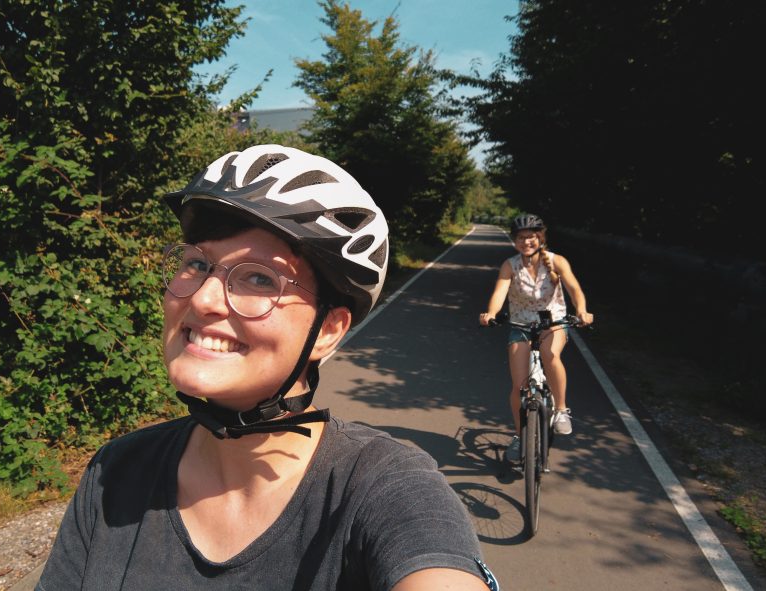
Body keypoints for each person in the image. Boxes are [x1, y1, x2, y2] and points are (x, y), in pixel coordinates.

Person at [37, 145, 498, 590]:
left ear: (329, 331)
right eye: (196, 263)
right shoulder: (115, 472)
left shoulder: (383, 487)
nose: (202, 299)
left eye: (260, 278)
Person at [478, 214, 593, 463]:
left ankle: (561, 410)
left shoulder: (556, 261)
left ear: (540, 238)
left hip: (553, 323)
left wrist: (582, 311)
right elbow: (500, 292)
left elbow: (575, 290)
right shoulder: (510, 265)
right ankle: (520, 436)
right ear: (515, 241)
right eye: (521, 238)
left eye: (531, 237)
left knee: (551, 356)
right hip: (520, 324)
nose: (526, 242)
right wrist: (492, 313)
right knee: (519, 386)